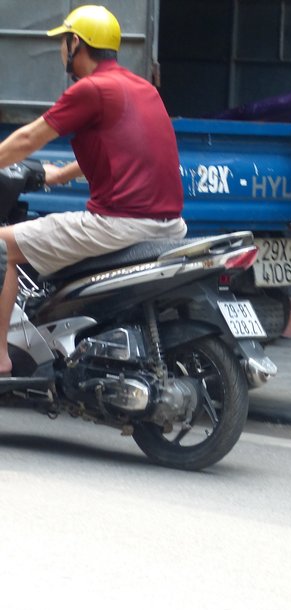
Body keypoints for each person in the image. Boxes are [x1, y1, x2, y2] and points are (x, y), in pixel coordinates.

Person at [0, 4, 186, 378]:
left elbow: (28, 138)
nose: (60, 52)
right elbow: (122, 151)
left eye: (63, 42)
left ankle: (0, 356)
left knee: (8, 246)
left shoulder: (91, 89)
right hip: (169, 225)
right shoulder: (140, 87)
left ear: (76, 44)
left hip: (119, 223)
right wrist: (57, 176)